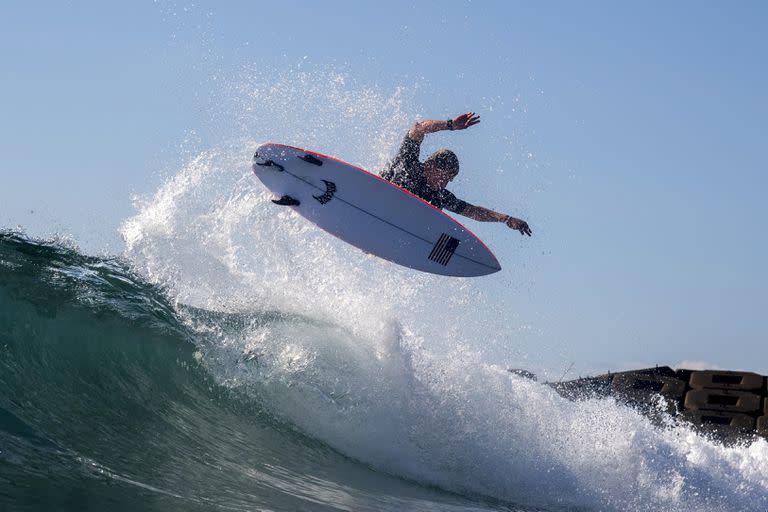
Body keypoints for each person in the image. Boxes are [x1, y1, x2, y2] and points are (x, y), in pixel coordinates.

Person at [380, 112, 532, 236]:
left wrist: (505, 219)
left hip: (398, 219)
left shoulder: (439, 196)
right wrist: (450, 125)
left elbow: (473, 211)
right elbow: (419, 128)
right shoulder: (408, 164)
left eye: (449, 180)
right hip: (382, 196)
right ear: (430, 166)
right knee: (392, 171)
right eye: (444, 177)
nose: (445, 184)